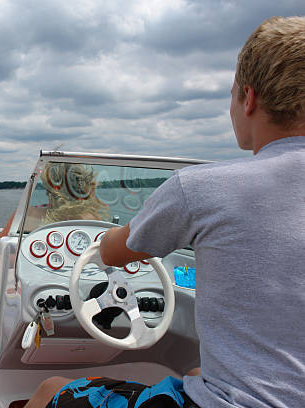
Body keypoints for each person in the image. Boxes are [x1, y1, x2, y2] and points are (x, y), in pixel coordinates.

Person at [25, 16, 305, 408]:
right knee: (192, 373)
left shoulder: (203, 188)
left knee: (49, 389)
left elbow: (110, 252)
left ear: (249, 98)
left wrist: (109, 236)